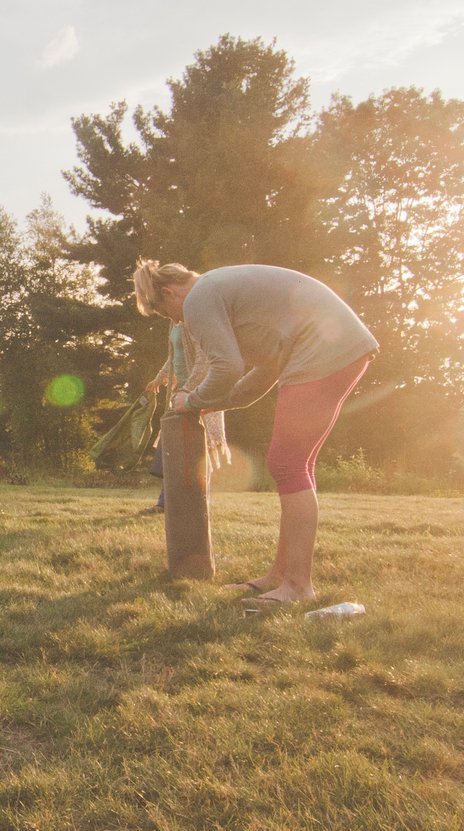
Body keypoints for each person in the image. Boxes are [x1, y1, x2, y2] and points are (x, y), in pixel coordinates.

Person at [135, 260, 376, 609]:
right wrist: (208, 404)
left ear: (170, 292)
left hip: (323, 350)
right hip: (338, 348)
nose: (176, 321)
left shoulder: (199, 298)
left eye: (165, 312)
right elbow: (263, 372)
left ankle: (297, 585)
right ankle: (281, 576)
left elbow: (226, 366)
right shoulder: (222, 293)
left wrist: (192, 400)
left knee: (287, 464)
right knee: (294, 465)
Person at [143, 321, 230, 514]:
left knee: (199, 451)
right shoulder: (174, 325)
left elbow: (203, 361)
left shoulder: (195, 322)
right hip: (181, 397)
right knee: (172, 448)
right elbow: (173, 358)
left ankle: (199, 502)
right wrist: (160, 378)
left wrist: (187, 389)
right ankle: (164, 503)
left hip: (200, 395)